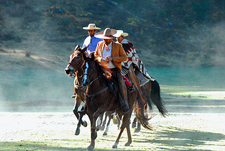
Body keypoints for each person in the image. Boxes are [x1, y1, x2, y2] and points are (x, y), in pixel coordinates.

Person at [94, 28, 129, 115]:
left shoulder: (118, 46)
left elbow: (124, 57)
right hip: (102, 70)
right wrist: (100, 59)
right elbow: (96, 55)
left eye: (107, 39)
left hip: (114, 71)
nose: (105, 40)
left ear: (112, 38)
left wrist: (112, 58)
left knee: (121, 84)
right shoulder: (99, 44)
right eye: (104, 38)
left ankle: (123, 104)